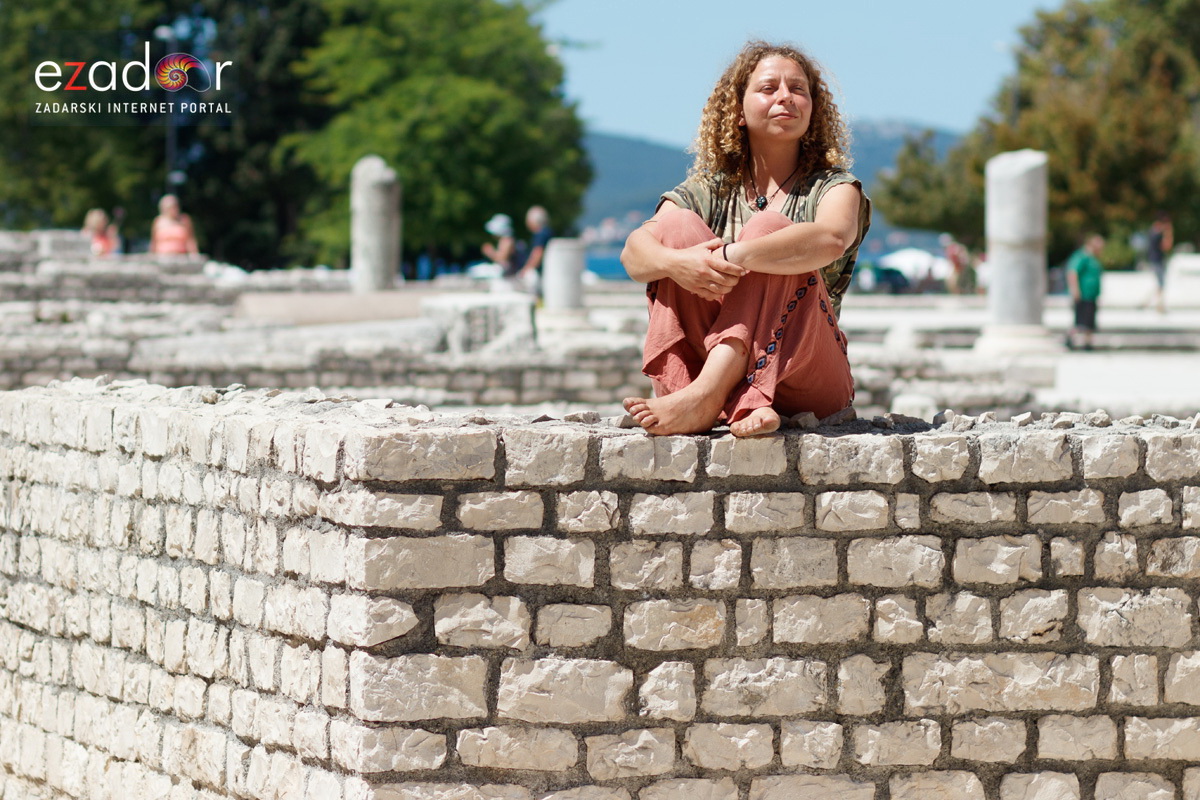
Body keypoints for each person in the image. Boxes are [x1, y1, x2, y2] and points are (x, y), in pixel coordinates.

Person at [620, 40, 871, 437]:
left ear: (813, 108)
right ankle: (719, 398)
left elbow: (831, 238)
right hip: (719, 365)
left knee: (771, 231)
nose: (786, 97)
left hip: (807, 374)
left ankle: (706, 396)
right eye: (769, 88)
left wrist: (733, 254)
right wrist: (677, 262)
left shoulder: (835, 186)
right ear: (738, 110)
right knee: (677, 228)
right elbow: (635, 254)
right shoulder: (710, 188)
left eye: (799, 89)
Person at [1065, 233, 1105, 351]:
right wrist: (1075, 290)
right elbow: (1072, 273)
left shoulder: (1092, 258)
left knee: (1089, 321)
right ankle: (1070, 339)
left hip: (1091, 295)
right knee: (1081, 321)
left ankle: (1088, 343)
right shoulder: (1081, 256)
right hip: (1083, 294)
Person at [513, 205, 552, 290]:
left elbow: (538, 253)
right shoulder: (548, 232)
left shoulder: (540, 234)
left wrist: (526, 270)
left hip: (541, 273)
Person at [1145, 211, 1173, 314]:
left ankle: (1153, 303)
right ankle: (1159, 305)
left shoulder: (1152, 230)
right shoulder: (1159, 232)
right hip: (1158, 260)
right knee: (1161, 283)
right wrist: (1169, 233)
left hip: (1153, 259)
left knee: (1159, 283)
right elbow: (1166, 246)